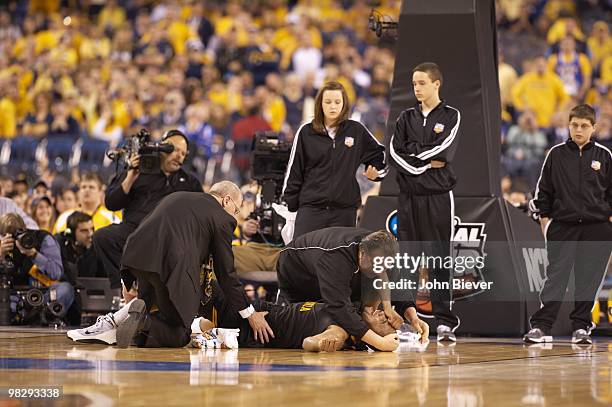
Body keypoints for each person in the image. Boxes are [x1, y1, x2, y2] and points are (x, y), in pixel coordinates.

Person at [113, 182, 273, 348]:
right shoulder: (222, 218)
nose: (235, 216)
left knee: (149, 309)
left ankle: (137, 324)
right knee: (180, 333)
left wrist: (128, 277)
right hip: (171, 266)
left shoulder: (177, 196)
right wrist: (250, 314)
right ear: (226, 201)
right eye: (236, 210)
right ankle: (144, 324)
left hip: (138, 256)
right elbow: (226, 274)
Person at [525, 104, 612, 345]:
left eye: (584, 126)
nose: (578, 130)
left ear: (593, 128)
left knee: (589, 279)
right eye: (574, 125)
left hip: (597, 228)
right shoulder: (556, 154)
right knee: (556, 277)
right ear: (569, 125)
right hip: (563, 225)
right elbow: (544, 192)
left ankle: (582, 327)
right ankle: (541, 327)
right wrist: (545, 218)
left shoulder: (604, 156)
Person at [389, 62, 461, 342]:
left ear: (436, 84)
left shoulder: (452, 115)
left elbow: (445, 152)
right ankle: (404, 319)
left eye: (421, 83)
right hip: (408, 197)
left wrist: (411, 158)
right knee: (406, 259)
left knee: (439, 259)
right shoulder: (405, 117)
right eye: (414, 84)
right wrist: (423, 164)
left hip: (438, 197)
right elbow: (395, 152)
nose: (416, 88)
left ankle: (445, 322)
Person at [276, 227, 419, 351]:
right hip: (296, 270)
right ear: (362, 253)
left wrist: (412, 316)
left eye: (383, 320)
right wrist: (381, 342)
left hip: (307, 315)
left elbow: (392, 279)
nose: (382, 314)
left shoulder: (379, 251)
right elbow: (340, 308)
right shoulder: (337, 258)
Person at [93, 130, 202, 289]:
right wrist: (130, 177)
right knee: (103, 237)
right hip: (133, 230)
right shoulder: (139, 169)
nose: (179, 156)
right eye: (175, 150)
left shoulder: (190, 182)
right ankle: (123, 288)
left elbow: (202, 215)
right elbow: (111, 203)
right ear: (162, 148)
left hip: (167, 237)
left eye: (183, 153)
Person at [192, 279, 428, 351]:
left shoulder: (342, 331)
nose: (381, 313)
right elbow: (383, 281)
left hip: (254, 330)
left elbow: (308, 343)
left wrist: (324, 345)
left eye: (384, 321)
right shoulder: (355, 308)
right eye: (385, 313)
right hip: (261, 309)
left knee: (201, 301)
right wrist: (412, 317)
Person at [282, 81, 388, 239]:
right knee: (303, 258)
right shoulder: (306, 132)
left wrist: (376, 171)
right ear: (320, 104)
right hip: (310, 209)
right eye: (328, 102)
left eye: (337, 102)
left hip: (344, 211)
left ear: (344, 104)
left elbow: (380, 155)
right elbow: (294, 171)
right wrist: (291, 209)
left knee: (340, 260)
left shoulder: (356, 130)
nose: (333, 106)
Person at [0, 213, 74, 321]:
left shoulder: (43, 239)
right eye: (6, 235)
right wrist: (1, 255)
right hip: (13, 296)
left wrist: (34, 254)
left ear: (25, 229)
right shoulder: (1, 247)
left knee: (65, 289)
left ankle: (43, 315)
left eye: (16, 234)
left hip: (44, 293)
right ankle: (27, 317)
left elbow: (56, 273)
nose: (12, 240)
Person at [55, 211, 105, 285]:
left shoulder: (97, 247)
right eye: (84, 231)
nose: (90, 234)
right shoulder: (58, 245)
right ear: (71, 234)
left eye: (92, 229)